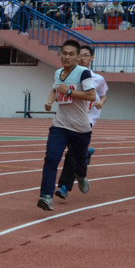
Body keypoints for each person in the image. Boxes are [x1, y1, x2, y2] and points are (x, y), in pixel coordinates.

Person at [38, 39, 98, 211]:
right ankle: (46, 196)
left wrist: (70, 91)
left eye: (71, 54)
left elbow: (91, 96)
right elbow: (55, 90)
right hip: (60, 125)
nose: (66, 57)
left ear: (78, 57)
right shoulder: (58, 73)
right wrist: (50, 101)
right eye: (64, 53)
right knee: (51, 158)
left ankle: (81, 175)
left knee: (79, 162)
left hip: (80, 128)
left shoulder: (83, 73)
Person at [56, 45, 108, 199]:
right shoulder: (69, 75)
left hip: (87, 119)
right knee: (76, 151)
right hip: (70, 117)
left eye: (86, 55)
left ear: (92, 58)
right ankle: (85, 154)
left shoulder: (98, 79)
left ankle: (64, 187)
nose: (82, 58)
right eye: (80, 55)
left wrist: (101, 103)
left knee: (71, 152)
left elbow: (103, 95)